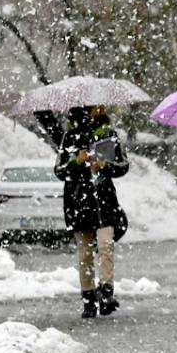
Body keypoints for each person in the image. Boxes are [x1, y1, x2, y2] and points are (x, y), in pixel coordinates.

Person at [54, 104, 130, 319]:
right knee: (85, 253)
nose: (100, 109)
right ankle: (88, 298)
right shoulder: (69, 137)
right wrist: (77, 162)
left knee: (106, 246)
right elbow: (59, 170)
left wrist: (104, 165)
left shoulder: (108, 133)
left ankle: (106, 291)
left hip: (104, 200)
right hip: (78, 201)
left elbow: (122, 165)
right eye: (95, 107)